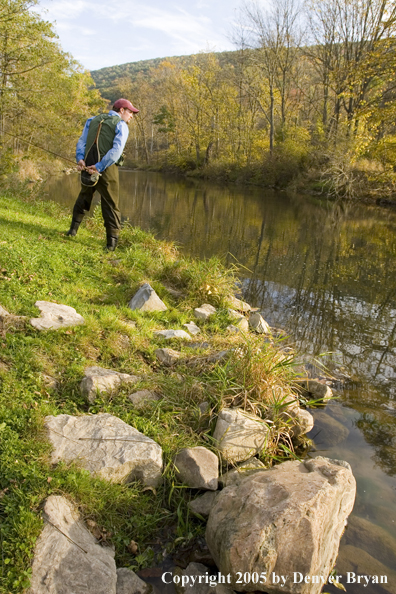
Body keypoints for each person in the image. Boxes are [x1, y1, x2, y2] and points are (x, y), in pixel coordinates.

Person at [66, 98, 139, 251]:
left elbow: (82, 141)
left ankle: (72, 231)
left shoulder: (91, 120)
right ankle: (111, 246)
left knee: (84, 195)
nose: (131, 115)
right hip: (106, 168)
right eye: (130, 112)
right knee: (111, 204)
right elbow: (116, 151)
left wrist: (80, 159)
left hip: (87, 164)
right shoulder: (121, 125)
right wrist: (99, 166)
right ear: (121, 110)